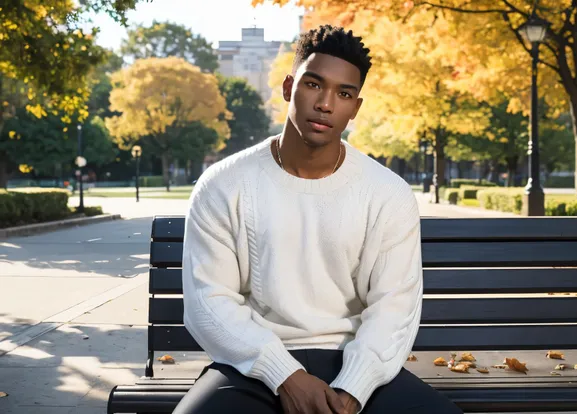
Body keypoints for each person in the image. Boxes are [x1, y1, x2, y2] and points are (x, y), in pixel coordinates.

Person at [175, 25, 462, 414]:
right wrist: (285, 376)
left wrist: (353, 389)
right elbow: (209, 302)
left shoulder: (387, 192)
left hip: (356, 362)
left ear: (355, 108)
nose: (326, 104)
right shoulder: (223, 185)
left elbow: (395, 306)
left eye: (344, 93)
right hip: (254, 367)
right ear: (289, 87)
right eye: (314, 85)